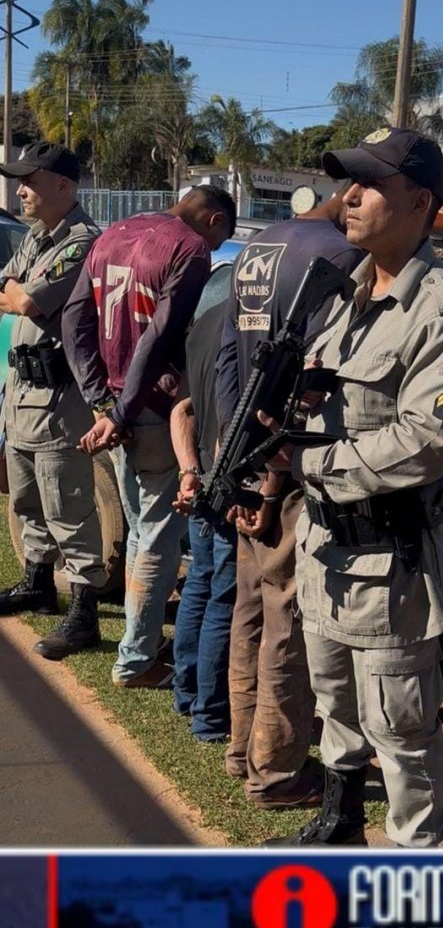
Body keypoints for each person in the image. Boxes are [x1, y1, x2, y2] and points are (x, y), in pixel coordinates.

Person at [268, 127, 443, 848]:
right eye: (347, 183)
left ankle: (415, 860)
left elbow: (425, 442)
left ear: (420, 201)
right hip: (325, 546)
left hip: (390, 561)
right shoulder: (343, 291)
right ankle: (339, 823)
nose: (350, 197)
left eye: (369, 185)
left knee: (400, 723)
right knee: (334, 703)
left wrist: (305, 464)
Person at [216, 184, 361, 808]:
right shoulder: (340, 257)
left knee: (250, 609)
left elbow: (228, 361)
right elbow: (310, 386)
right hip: (289, 464)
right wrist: (271, 483)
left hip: (242, 451)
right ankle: (274, 770)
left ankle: (240, 745)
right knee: (287, 622)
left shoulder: (257, 245)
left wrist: (232, 469)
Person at [62, 185, 235, 688]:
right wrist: (119, 409)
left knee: (141, 527)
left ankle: (134, 648)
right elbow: (160, 334)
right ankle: (136, 660)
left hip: (117, 406)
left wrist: (102, 401)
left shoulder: (115, 231)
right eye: (222, 236)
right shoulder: (190, 248)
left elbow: (75, 318)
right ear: (215, 219)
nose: (219, 248)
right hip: (153, 408)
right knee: (157, 533)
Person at [0, 142, 106, 660]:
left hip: (59, 399)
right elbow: (6, 286)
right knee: (26, 499)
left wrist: (18, 291)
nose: (20, 189)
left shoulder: (82, 240)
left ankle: (85, 613)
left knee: (68, 505)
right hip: (21, 392)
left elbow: (25, 299)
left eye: (30, 180)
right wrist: (16, 289)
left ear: (63, 185)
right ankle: (37, 582)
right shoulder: (38, 238)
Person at [170, 301, 237, 741]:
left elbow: (182, 411)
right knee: (222, 598)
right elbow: (225, 418)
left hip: (201, 476)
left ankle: (185, 692)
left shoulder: (204, 324)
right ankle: (209, 717)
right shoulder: (249, 328)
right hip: (226, 481)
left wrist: (189, 471)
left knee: (199, 581)